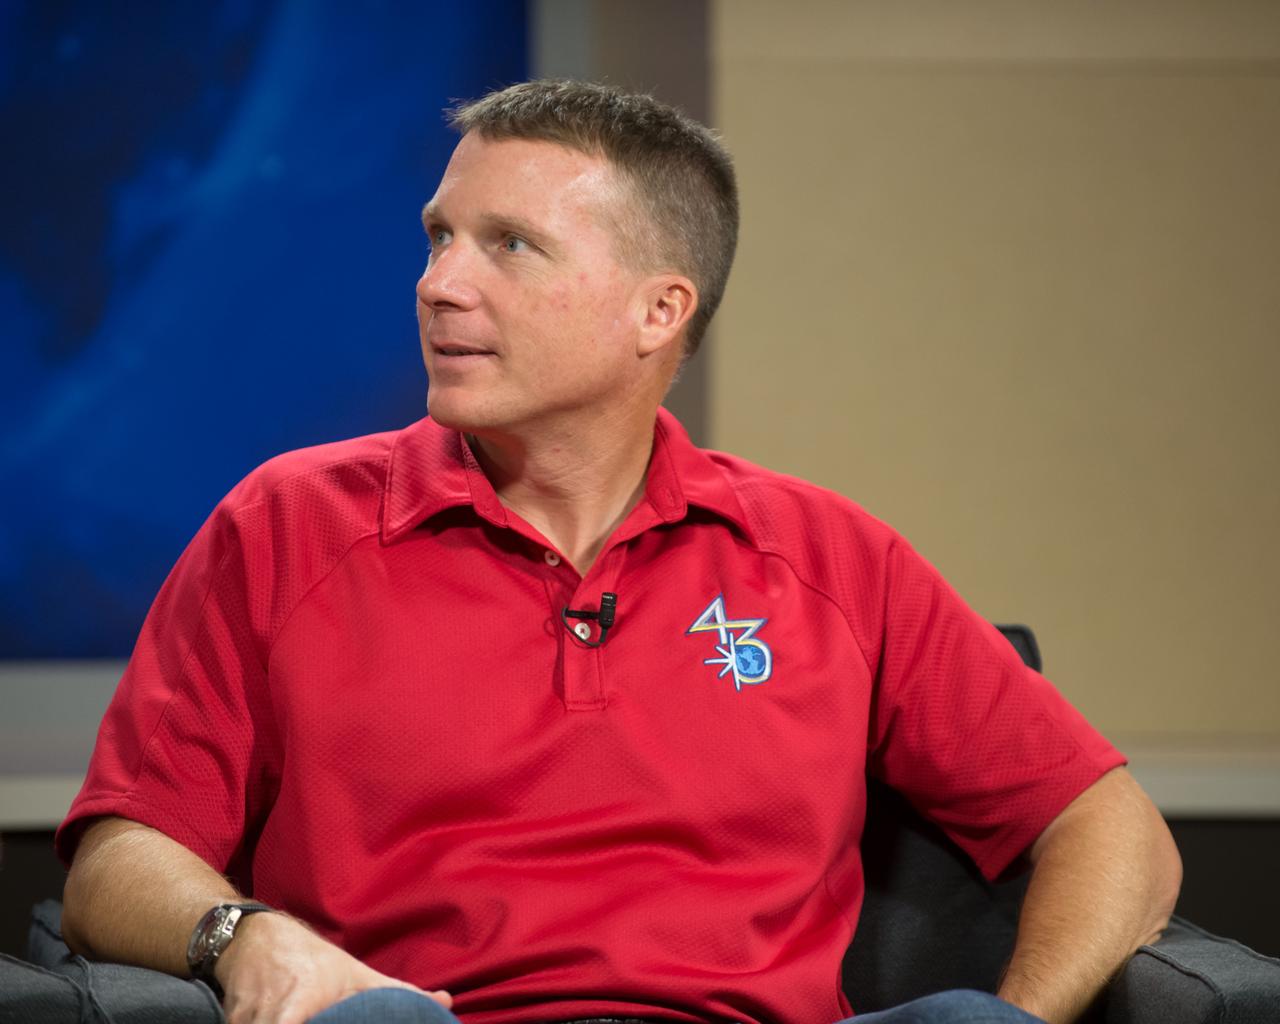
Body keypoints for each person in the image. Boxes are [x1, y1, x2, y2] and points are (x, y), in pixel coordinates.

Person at [57, 80, 1181, 1024]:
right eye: (439, 236)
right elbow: (118, 857)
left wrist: (1022, 1014)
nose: (439, 283)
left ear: (658, 311)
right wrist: (240, 936)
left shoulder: (827, 557)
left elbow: (1106, 824)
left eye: (509, 245)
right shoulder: (285, 524)